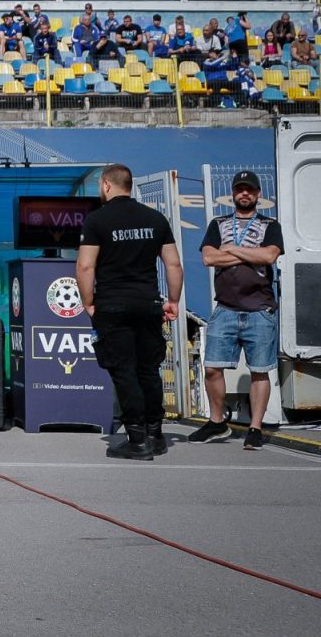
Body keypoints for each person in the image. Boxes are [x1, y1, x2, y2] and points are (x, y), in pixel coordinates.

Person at [76, 163, 182, 461]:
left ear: (106, 185)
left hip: (113, 305)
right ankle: (155, 434)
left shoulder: (97, 220)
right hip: (148, 303)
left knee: (124, 372)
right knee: (148, 369)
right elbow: (173, 264)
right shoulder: (155, 218)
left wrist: (88, 303)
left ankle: (136, 439)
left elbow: (85, 266)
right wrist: (173, 300)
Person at [190, 171, 283, 450]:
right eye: (240, 189)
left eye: (250, 190)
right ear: (232, 193)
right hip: (225, 309)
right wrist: (249, 253)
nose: (245, 194)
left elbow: (269, 255)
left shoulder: (270, 225)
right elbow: (209, 257)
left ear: (258, 194)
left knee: (259, 371)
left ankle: (255, 428)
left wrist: (231, 249)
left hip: (260, 310)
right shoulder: (218, 224)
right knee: (212, 368)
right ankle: (217, 422)